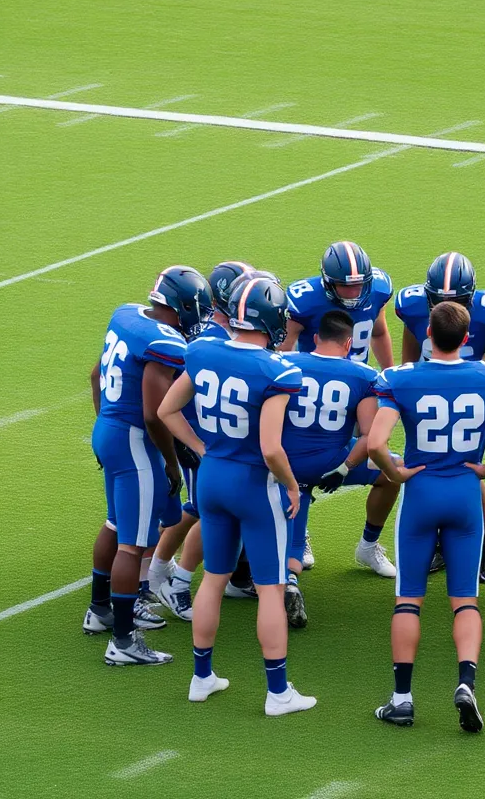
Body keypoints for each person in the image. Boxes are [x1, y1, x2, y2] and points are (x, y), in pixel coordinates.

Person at [368, 302, 485, 732]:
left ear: (427, 334)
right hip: (465, 491)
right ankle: (466, 684)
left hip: (421, 491)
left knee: (409, 597)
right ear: (466, 339)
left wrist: (397, 472)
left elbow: (374, 444)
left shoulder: (399, 379)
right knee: (465, 598)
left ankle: (402, 699)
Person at [157, 274, 316, 716]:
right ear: (271, 319)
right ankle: (278, 691)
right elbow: (270, 447)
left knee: (214, 577)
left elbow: (166, 409)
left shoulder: (203, 350)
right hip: (253, 483)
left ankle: (201, 677)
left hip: (211, 476)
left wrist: (201, 447)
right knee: (270, 588)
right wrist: (289, 484)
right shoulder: (277, 369)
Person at [84, 270, 198, 665]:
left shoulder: (126, 314)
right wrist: (171, 460)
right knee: (132, 544)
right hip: (134, 441)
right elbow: (154, 414)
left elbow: (95, 374)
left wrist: (103, 426)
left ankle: (101, 610)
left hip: (109, 428)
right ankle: (123, 640)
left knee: (116, 524)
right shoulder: (162, 341)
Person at [395, 252, 485, 582]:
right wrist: (407, 386)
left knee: (466, 468)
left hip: (472, 397)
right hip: (427, 394)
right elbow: (410, 340)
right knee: (427, 466)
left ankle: (484, 538)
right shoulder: (412, 305)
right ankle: (437, 542)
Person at [280, 310, 400, 627]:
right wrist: (345, 468)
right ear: (348, 344)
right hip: (331, 463)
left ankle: (287, 578)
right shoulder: (362, 375)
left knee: (290, 532)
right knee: (392, 471)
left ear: (316, 338)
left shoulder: (285, 365)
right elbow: (370, 437)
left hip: (284, 466)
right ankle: (368, 545)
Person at [148, 260, 250, 617]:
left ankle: (162, 574)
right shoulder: (210, 338)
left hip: (211, 431)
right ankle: (162, 578)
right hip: (200, 432)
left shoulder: (213, 331)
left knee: (205, 509)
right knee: (202, 510)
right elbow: (173, 394)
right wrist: (189, 443)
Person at [281, 240, 395, 367]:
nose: (354, 292)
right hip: (315, 377)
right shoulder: (304, 301)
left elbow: (379, 334)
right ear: (329, 283)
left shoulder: (377, 291)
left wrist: (388, 373)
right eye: (345, 286)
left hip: (359, 378)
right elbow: (284, 350)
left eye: (358, 285)